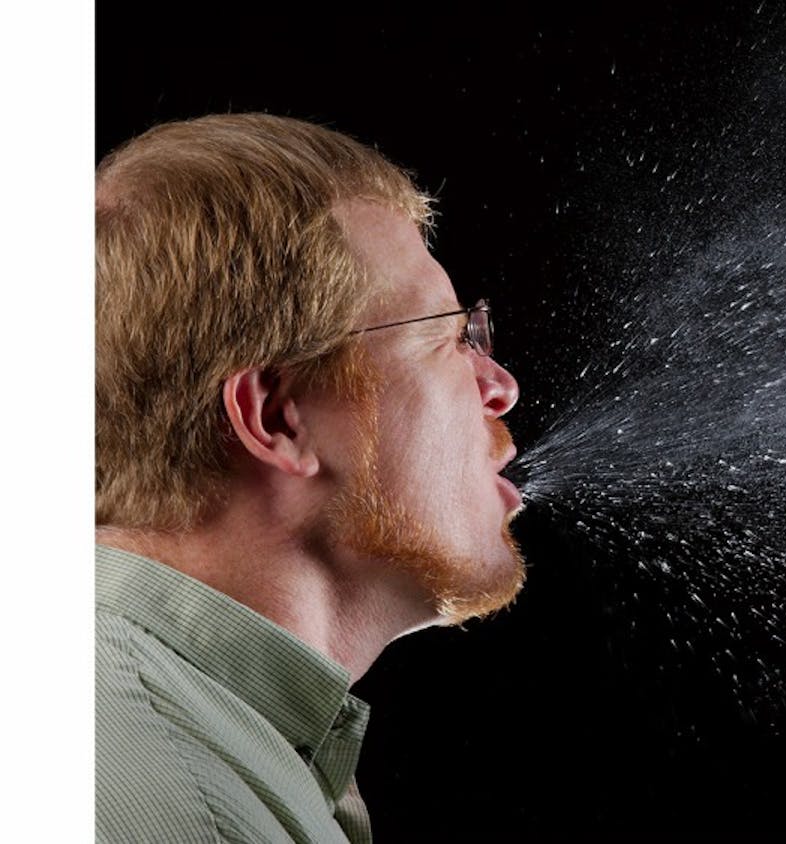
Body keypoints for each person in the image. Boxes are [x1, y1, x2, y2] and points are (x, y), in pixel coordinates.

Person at [94, 113, 526, 843]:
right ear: (279, 416)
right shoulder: (186, 809)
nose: (500, 386)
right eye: (448, 337)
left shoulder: (196, 734)